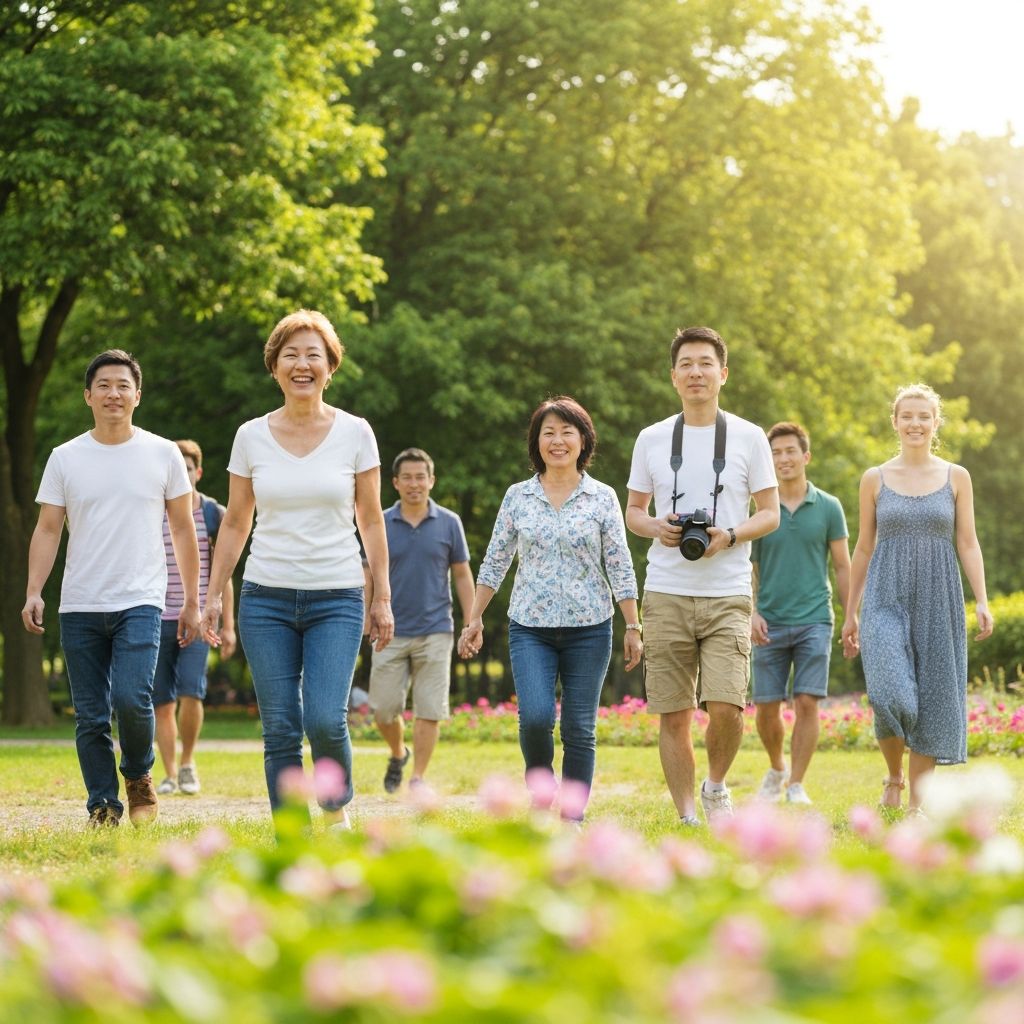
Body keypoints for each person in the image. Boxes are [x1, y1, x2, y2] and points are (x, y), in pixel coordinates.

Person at [199, 310, 393, 829]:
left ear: (331, 367)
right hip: (266, 597)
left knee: (325, 720)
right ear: (274, 367)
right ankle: (291, 838)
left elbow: (371, 520)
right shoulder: (250, 436)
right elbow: (237, 522)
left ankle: (335, 805)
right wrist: (214, 596)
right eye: (291, 354)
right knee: (281, 727)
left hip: (337, 595)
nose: (302, 364)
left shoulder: (356, 432)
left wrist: (382, 598)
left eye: (314, 355)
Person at [21, 350, 201, 828]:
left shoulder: (162, 453)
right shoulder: (65, 457)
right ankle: (103, 803)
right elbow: (47, 528)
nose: (113, 393)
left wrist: (191, 600)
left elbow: (183, 529)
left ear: (137, 396)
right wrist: (34, 590)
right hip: (81, 602)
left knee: (131, 697)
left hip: (141, 600)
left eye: (123, 385)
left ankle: (139, 775)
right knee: (91, 716)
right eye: (103, 385)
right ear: (88, 396)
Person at [458, 396, 642, 822]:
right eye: (548, 432)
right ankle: (542, 798)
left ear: (583, 440)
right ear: (536, 442)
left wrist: (633, 624)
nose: (557, 440)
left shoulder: (602, 498)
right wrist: (474, 617)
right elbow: (496, 559)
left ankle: (572, 819)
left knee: (579, 728)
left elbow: (619, 561)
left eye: (567, 431)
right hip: (530, 627)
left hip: (590, 628)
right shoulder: (517, 497)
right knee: (536, 718)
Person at [626, 326, 779, 824]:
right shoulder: (651, 438)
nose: (696, 372)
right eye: (686, 364)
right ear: (673, 377)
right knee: (672, 712)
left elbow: (771, 512)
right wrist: (658, 529)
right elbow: (633, 511)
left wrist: (729, 535)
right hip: (666, 591)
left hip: (728, 591)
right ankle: (689, 814)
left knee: (728, 708)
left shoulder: (749, 436)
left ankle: (715, 786)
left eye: (705, 363)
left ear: (723, 373)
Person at [842, 384, 993, 814]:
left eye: (923, 416)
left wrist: (981, 600)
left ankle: (916, 806)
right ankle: (894, 773)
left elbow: (968, 543)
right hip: (885, 597)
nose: (915, 424)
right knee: (891, 694)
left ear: (935, 422)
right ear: (895, 421)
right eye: (907, 416)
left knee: (931, 698)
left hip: (939, 597)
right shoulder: (874, 478)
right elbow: (864, 548)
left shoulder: (956, 476)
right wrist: (851, 612)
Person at [750, 422, 851, 806]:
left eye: (790, 451)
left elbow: (842, 566)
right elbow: (750, 569)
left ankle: (796, 783)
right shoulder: (759, 510)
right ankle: (777, 767)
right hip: (768, 621)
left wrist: (851, 615)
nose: (783, 459)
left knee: (807, 702)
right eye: (775, 453)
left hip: (815, 619)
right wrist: (752, 611)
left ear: (805, 456)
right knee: (766, 707)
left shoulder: (828, 507)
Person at [365, 448, 474, 793]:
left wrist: (473, 622)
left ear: (432, 480)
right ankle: (399, 752)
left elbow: (461, 575)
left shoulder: (449, 522)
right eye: (407, 477)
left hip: (436, 630)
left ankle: (417, 779)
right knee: (382, 709)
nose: (415, 483)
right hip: (388, 630)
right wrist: (367, 617)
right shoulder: (379, 522)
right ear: (395, 483)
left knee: (429, 709)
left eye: (421, 476)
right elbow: (367, 574)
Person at [153, 440, 237, 797]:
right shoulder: (152, 509)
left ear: (197, 473)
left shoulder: (213, 513)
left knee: (191, 692)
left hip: (199, 618)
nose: (183, 475)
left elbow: (225, 574)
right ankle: (170, 773)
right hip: (154, 616)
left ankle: (188, 763)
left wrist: (229, 625)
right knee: (162, 700)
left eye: (188, 469)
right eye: (177, 469)